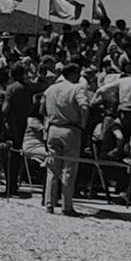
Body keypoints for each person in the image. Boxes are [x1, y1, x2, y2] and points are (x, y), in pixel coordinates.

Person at [40, 60, 90, 216]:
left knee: (52, 168)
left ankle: (49, 203)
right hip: (70, 129)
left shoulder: (50, 89)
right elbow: (84, 106)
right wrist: (83, 123)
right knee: (69, 169)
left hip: (53, 128)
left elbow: (41, 109)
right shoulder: (76, 88)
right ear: (73, 74)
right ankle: (66, 206)